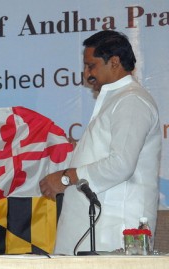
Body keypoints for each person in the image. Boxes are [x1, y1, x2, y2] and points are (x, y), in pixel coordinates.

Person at [39, 30, 161, 255]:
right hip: (94, 230)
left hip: (113, 230)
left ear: (114, 62)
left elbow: (121, 164)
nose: (86, 75)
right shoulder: (117, 99)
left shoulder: (131, 101)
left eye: (91, 66)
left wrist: (67, 177)